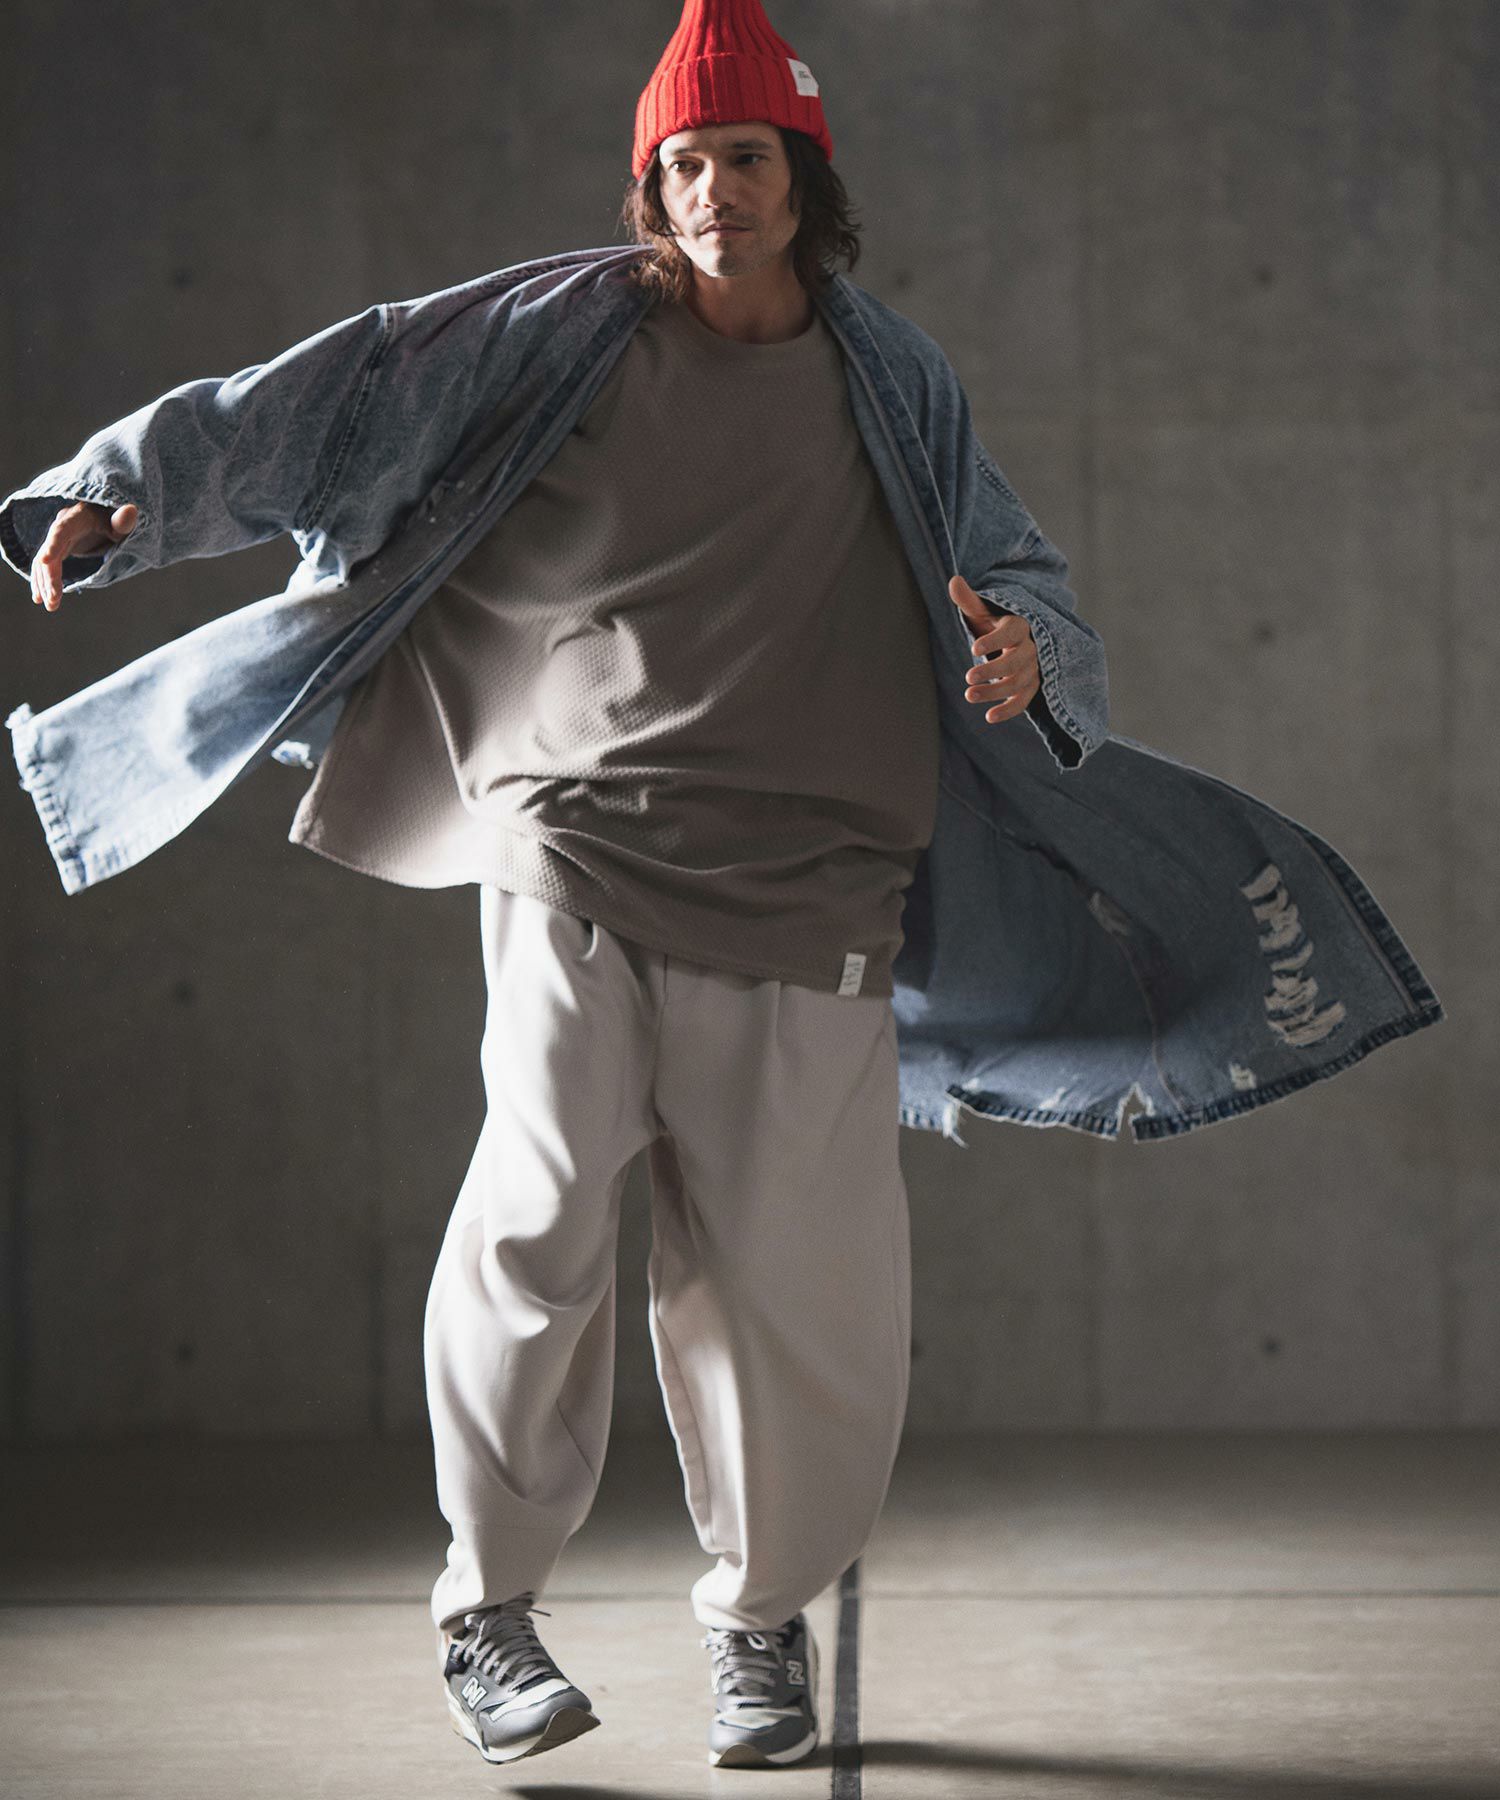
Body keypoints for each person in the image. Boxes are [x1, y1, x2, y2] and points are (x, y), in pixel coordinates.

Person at [4, 0, 1444, 1774]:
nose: (712, 192)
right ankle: (486, 1610)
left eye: (744, 158)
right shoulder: (554, 335)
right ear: (651, 187)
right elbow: (329, 398)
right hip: (576, 837)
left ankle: (759, 1625)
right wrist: (115, 496)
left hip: (819, 874)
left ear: (803, 181)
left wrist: (1026, 655)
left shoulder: (893, 379)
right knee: (537, 1215)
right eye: (681, 165)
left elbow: (1015, 575)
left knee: (798, 1291)